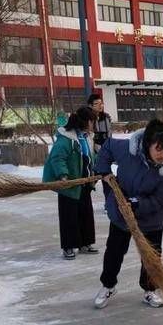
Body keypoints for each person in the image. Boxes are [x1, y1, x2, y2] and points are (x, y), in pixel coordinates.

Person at [93, 119, 163, 309]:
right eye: (159, 149)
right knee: (114, 252)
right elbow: (107, 147)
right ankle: (108, 285)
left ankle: (149, 290)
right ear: (147, 144)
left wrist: (136, 204)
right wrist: (104, 171)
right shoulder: (129, 150)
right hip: (121, 215)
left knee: (152, 258)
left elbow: (162, 199)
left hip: (151, 219)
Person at [42, 106, 97, 260]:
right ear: (86, 121)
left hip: (84, 183)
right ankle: (68, 246)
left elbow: (90, 157)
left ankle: (85, 243)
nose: (94, 125)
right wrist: (63, 175)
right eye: (92, 121)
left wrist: (96, 171)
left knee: (85, 214)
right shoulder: (67, 138)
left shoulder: (86, 137)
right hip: (69, 185)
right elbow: (57, 158)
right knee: (69, 216)